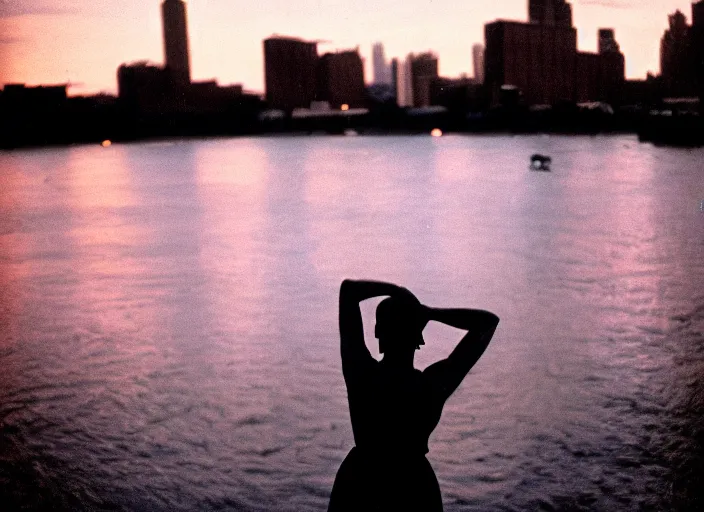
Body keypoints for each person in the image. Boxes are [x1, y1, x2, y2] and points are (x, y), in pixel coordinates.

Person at [328, 279, 499, 512]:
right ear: (419, 338)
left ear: (378, 332)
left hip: (359, 482)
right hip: (414, 486)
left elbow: (349, 290)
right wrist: (430, 314)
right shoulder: (432, 385)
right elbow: (488, 323)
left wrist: (396, 291)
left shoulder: (361, 374)